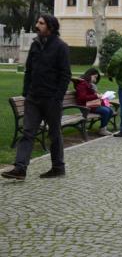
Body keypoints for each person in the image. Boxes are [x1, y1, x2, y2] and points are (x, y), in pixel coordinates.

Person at [2, 15, 71, 180]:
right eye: (37, 22)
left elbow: (65, 75)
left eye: (41, 23)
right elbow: (29, 71)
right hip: (33, 98)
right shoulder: (35, 45)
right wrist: (26, 93)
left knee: (54, 134)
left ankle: (58, 167)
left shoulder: (61, 47)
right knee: (28, 132)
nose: (37, 25)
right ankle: (20, 168)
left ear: (51, 27)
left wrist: (58, 97)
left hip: (51, 99)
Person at [75, 68, 113, 136]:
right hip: (85, 106)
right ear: (89, 75)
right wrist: (96, 96)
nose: (95, 79)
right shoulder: (82, 84)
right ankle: (102, 130)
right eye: (95, 77)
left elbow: (91, 95)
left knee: (110, 110)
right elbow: (82, 97)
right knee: (106, 111)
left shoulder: (88, 83)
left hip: (91, 104)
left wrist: (98, 95)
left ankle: (103, 128)